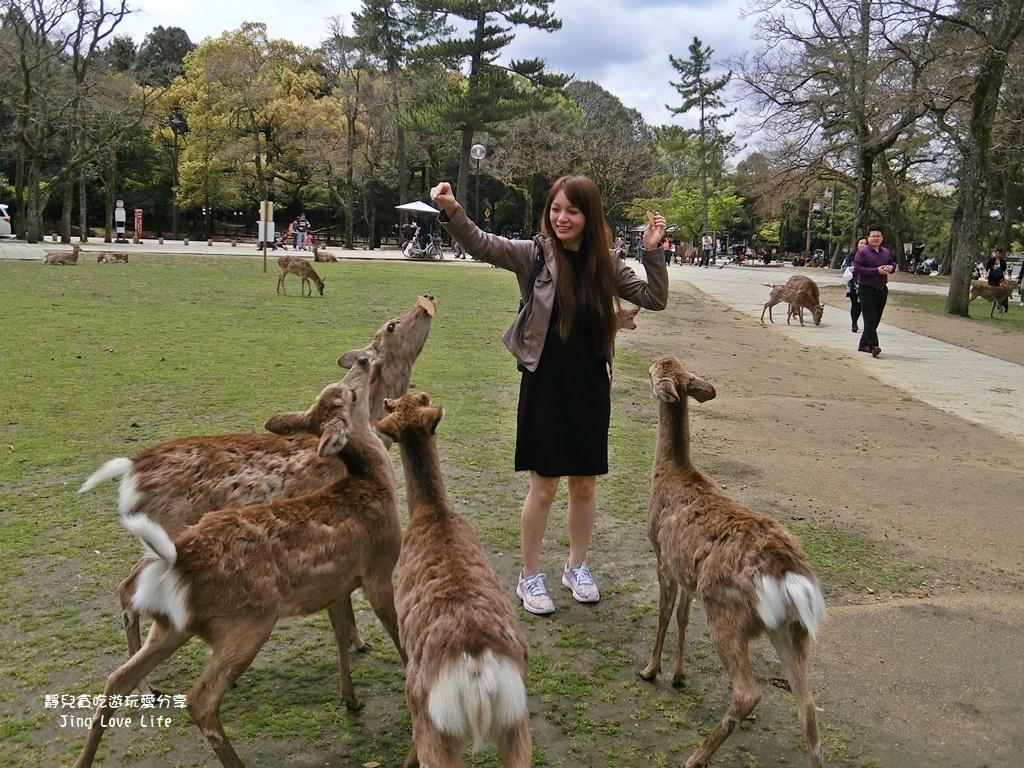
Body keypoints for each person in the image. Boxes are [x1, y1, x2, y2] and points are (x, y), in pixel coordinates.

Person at [429, 175, 669, 615]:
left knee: (583, 486)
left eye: (572, 211)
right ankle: (529, 575)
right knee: (544, 487)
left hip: (590, 386)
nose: (561, 218)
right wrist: (451, 209)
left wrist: (653, 250)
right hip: (544, 384)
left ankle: (576, 567)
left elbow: (654, 297)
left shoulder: (606, 264)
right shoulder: (534, 255)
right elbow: (483, 244)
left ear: (588, 216)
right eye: (556, 209)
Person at [852, 224, 896, 357]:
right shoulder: (863, 252)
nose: (875, 238)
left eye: (878, 236)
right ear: (868, 237)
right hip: (867, 289)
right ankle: (873, 346)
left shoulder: (886, 252)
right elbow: (858, 268)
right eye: (873, 236)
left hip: (882, 289)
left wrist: (890, 268)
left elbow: (892, 264)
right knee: (869, 318)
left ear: (882, 237)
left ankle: (863, 344)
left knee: (876, 319)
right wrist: (876, 271)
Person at [841, 237, 867, 333]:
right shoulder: (850, 256)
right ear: (857, 244)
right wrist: (850, 269)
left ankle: (867, 325)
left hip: (866, 283)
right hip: (853, 284)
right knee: (855, 304)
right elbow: (843, 267)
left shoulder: (870, 256)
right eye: (861, 243)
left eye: (865, 243)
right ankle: (854, 323)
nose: (862, 245)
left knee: (863, 305)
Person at [985, 248, 1009, 313]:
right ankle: (993, 302)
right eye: (997, 253)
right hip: (992, 277)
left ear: (1001, 254)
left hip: (999, 278)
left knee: (999, 291)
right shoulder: (991, 260)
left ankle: (1000, 305)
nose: (998, 254)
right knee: (991, 290)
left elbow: (1004, 270)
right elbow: (987, 268)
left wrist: (1004, 278)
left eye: (999, 253)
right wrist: (986, 275)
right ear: (995, 253)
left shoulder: (1003, 261)